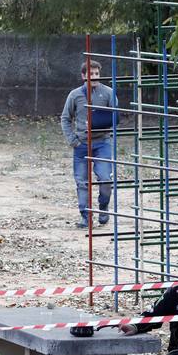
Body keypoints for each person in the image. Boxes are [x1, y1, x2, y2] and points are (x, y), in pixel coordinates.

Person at [60, 59, 117, 228]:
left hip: (102, 142)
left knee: (106, 178)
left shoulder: (108, 93)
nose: (94, 77)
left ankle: (104, 207)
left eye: (97, 74)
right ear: (83, 76)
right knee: (82, 182)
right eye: (90, 74)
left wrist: (99, 123)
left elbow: (116, 116)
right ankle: (85, 216)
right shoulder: (75, 95)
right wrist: (73, 141)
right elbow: (65, 118)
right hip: (82, 144)